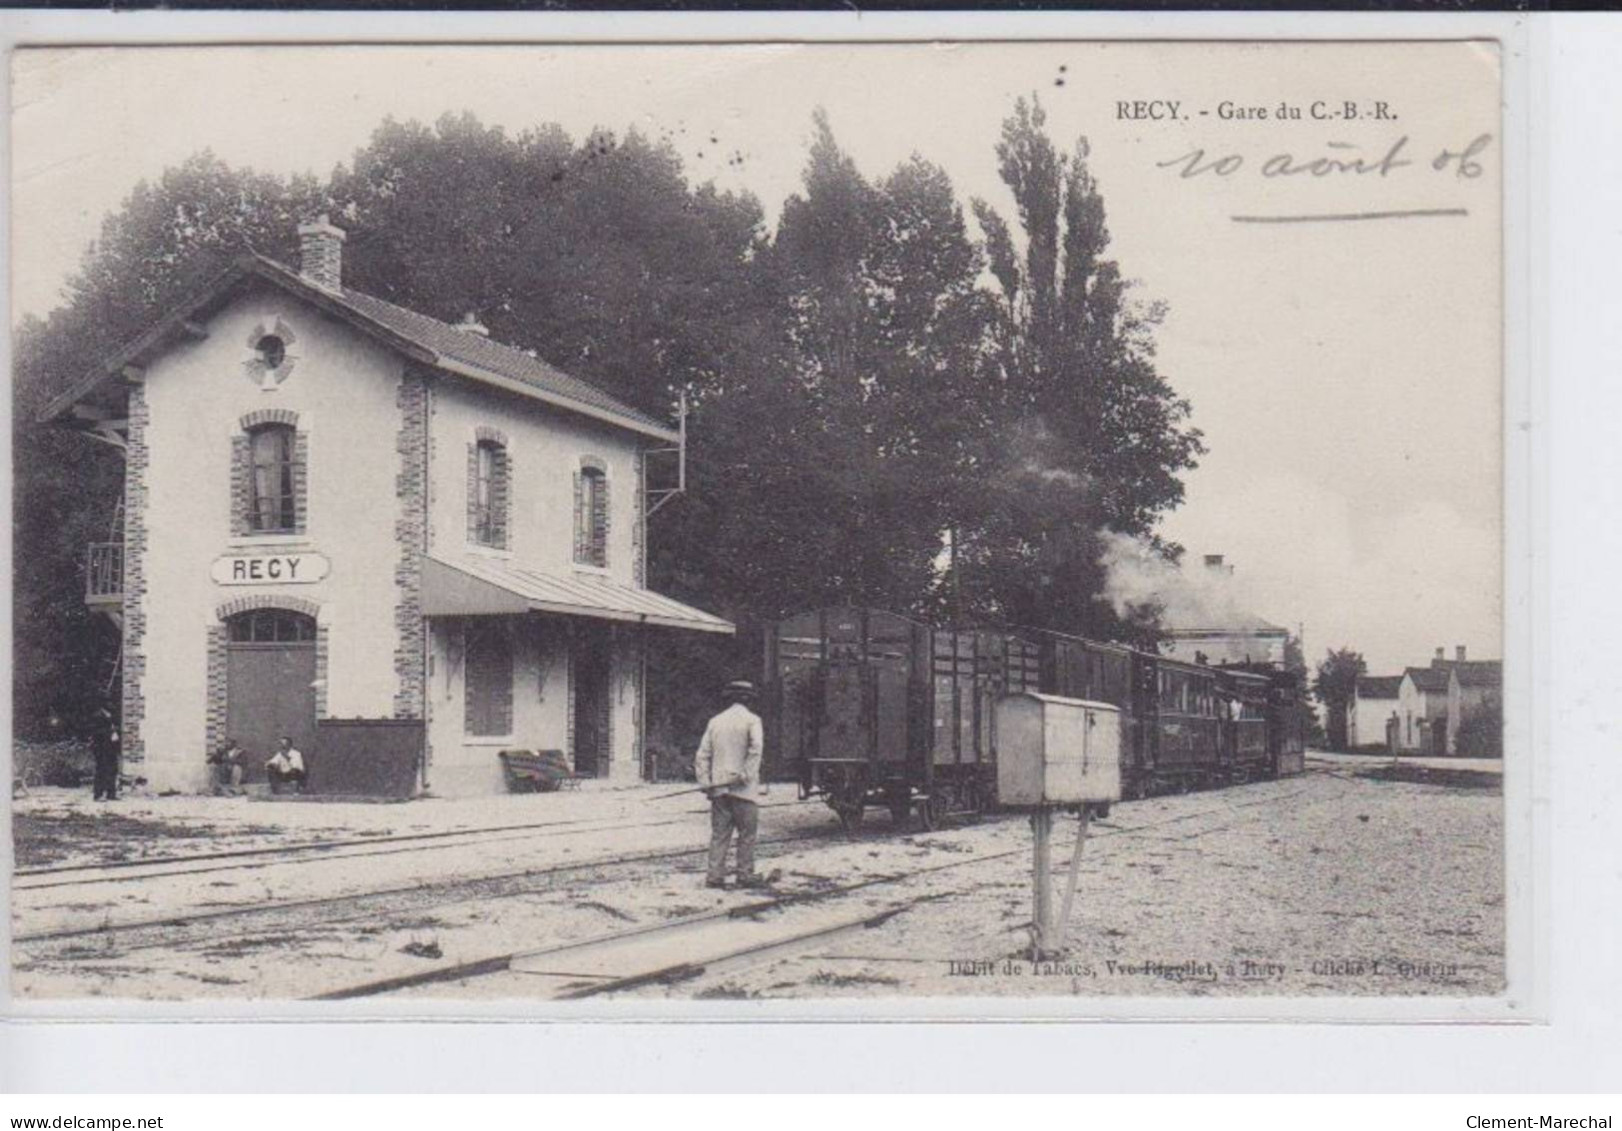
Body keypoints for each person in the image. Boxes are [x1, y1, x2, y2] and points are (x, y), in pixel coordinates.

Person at [694, 679, 767, 889]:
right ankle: (744, 874)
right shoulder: (753, 720)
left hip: (719, 789)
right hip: (744, 790)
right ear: (749, 700)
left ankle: (714, 876)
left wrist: (705, 782)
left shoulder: (715, 721)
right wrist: (747, 774)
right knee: (747, 834)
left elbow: (702, 755)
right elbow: (756, 749)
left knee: (719, 835)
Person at [89, 706, 120, 802]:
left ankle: (111, 793)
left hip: (110, 747)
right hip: (101, 747)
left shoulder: (109, 714)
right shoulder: (97, 716)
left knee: (113, 769)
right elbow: (97, 733)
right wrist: (111, 733)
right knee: (101, 770)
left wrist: (114, 732)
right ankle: (98, 794)